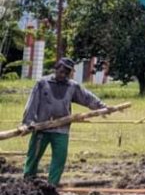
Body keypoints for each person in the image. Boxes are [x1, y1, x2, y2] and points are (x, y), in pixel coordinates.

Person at [21, 57, 107, 185]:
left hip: (61, 130)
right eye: (61, 71)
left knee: (59, 159)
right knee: (33, 156)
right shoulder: (42, 83)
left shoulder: (72, 86)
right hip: (41, 128)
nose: (63, 74)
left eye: (67, 72)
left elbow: (87, 97)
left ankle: (52, 186)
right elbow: (32, 104)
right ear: (56, 68)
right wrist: (27, 123)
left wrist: (102, 107)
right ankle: (27, 182)